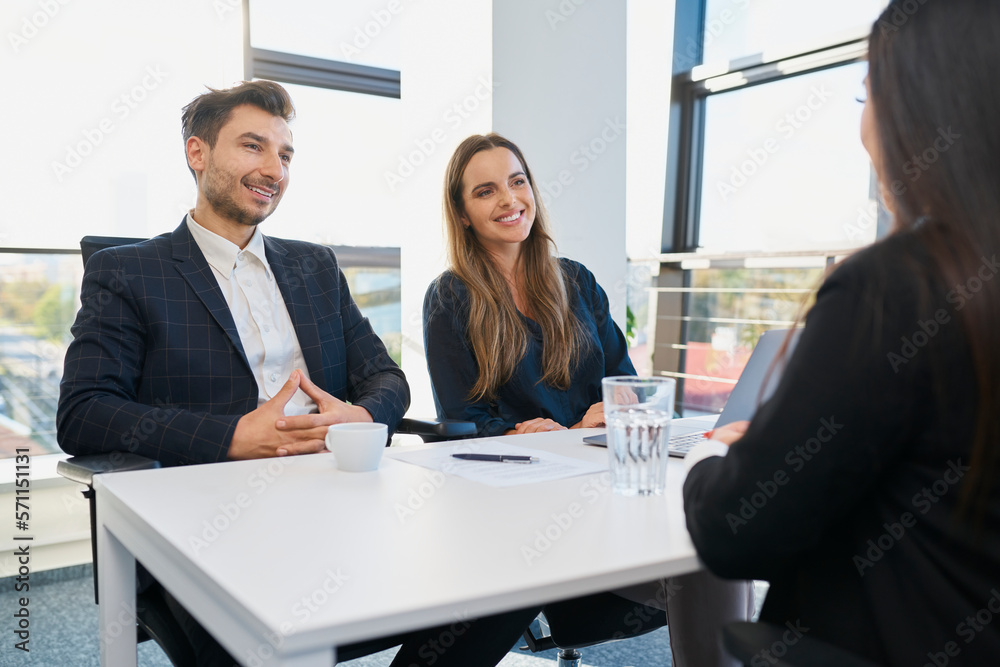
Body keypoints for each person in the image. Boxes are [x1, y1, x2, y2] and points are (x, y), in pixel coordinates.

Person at [56, 81, 534, 667]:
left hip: (344, 500)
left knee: (510, 573)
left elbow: (386, 378)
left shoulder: (313, 266)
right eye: (253, 147)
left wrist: (359, 415)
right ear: (197, 153)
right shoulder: (129, 272)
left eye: (284, 155)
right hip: (212, 522)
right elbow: (84, 412)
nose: (273, 169)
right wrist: (233, 438)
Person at [682, 1, 1000, 664]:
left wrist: (704, 464)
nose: (863, 126)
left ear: (921, 109)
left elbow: (737, 530)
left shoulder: (895, 286)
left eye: (867, 94)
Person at [423, 132, 755, 666]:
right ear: (462, 213)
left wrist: (616, 408)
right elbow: (461, 421)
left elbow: (629, 386)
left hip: (611, 486)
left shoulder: (575, 280)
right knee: (701, 563)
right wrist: (518, 432)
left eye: (518, 181)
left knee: (711, 550)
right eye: (485, 191)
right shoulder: (451, 296)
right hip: (531, 504)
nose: (510, 200)